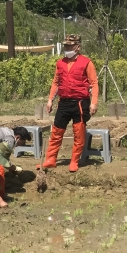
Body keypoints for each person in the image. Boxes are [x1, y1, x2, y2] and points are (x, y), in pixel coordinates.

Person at [42, 34, 99, 172]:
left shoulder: (86, 62)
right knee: (56, 131)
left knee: (78, 133)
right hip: (64, 102)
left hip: (80, 103)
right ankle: (50, 159)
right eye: (65, 46)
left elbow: (94, 83)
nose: (66, 48)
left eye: (69, 46)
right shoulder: (60, 63)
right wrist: (50, 100)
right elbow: (56, 82)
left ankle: (74, 161)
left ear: (77, 47)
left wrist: (94, 102)